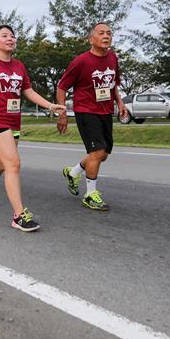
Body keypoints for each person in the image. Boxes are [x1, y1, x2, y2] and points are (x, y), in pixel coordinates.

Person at [0, 25, 65, 232]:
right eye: (4, 36)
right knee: (14, 163)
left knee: (1, 165)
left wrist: (50, 105)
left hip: (13, 120)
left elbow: (28, 91)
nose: (10, 38)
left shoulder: (19, 66)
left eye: (12, 36)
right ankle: (19, 215)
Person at [56, 22, 128, 211]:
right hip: (86, 110)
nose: (106, 36)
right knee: (97, 152)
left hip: (105, 111)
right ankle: (90, 195)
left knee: (102, 154)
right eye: (101, 33)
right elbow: (62, 86)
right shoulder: (81, 61)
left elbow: (113, 84)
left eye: (109, 33)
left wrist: (119, 102)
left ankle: (73, 173)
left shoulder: (112, 57)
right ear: (91, 39)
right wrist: (62, 113)